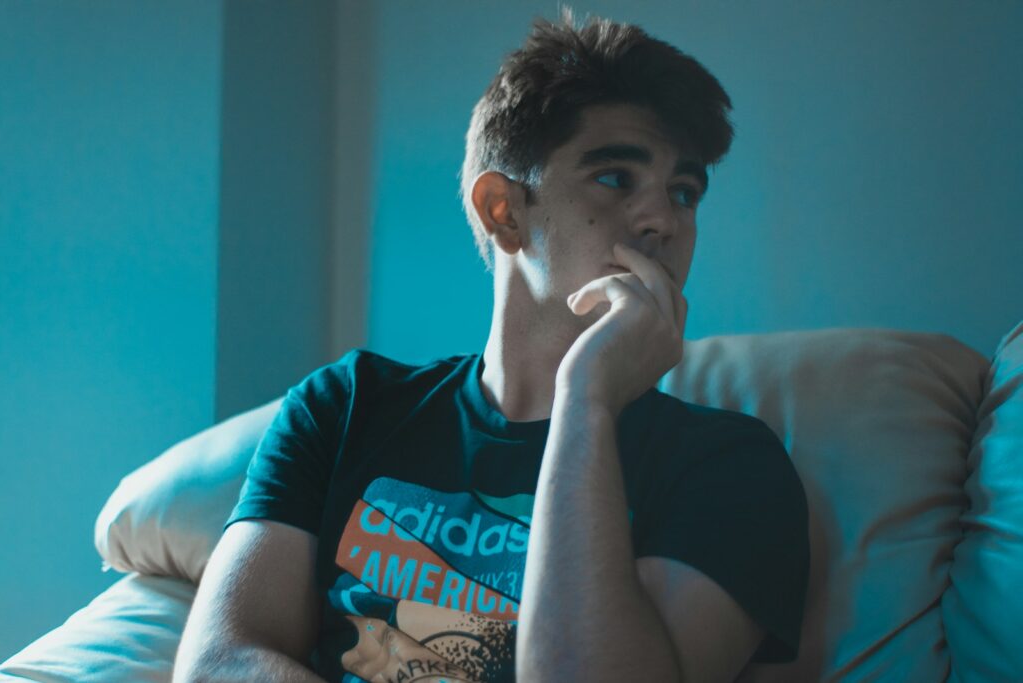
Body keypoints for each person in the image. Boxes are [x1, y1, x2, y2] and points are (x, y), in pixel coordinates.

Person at [174, 8, 810, 683]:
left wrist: (586, 398)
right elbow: (220, 661)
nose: (664, 220)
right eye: (616, 178)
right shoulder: (345, 407)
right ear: (504, 210)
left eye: (684, 192)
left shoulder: (730, 467)